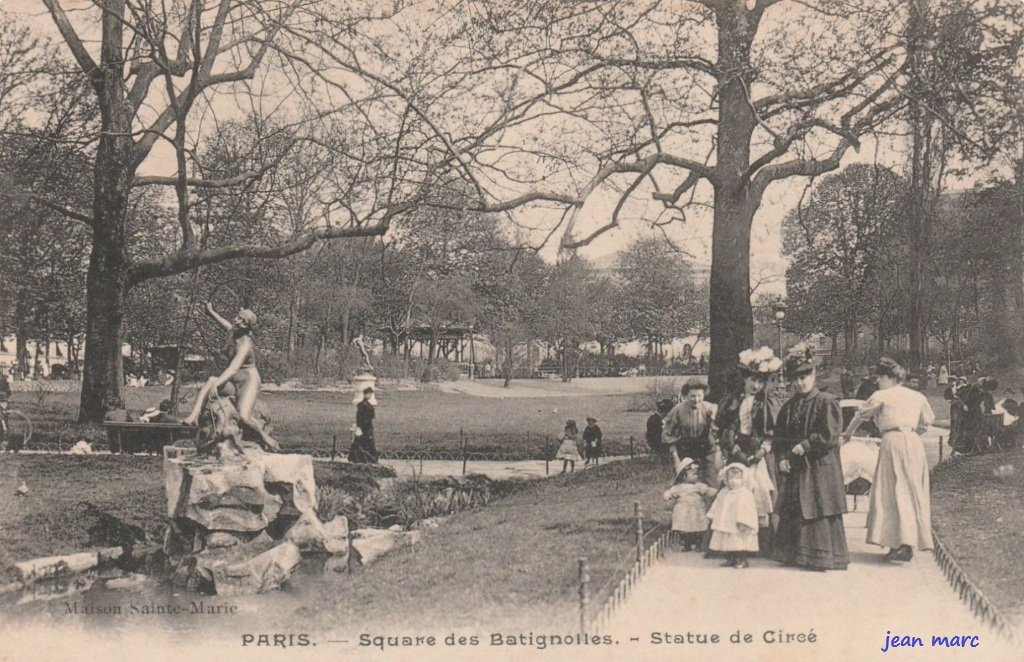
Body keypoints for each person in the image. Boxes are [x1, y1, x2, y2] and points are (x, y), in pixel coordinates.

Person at [842, 357, 934, 562]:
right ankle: (905, 543)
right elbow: (927, 422)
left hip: (892, 442)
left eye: (880, 377)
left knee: (893, 490)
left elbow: (860, 416)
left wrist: (847, 434)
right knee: (911, 490)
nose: (877, 381)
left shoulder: (881, 395)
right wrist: (910, 433)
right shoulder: (917, 396)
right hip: (913, 443)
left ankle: (900, 544)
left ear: (890, 377)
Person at [773, 345, 848, 572]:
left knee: (819, 505)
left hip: (820, 466)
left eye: (804, 377)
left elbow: (830, 434)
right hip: (796, 468)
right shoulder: (788, 407)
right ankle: (794, 554)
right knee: (797, 506)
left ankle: (822, 557)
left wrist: (806, 445)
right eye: (795, 379)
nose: (799, 383)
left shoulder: (826, 401)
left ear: (813, 375)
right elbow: (779, 438)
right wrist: (782, 458)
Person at [182, 303, 280, 452]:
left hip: (248, 381)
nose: (237, 322)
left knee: (244, 417)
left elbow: (233, 368)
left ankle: (264, 437)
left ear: (248, 327)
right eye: (238, 318)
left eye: (243, 322)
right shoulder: (232, 331)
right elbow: (224, 323)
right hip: (233, 381)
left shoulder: (245, 344)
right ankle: (194, 416)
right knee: (211, 380)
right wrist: (211, 311)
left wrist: (218, 384)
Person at [715, 347, 782, 554]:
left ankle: (764, 544)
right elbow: (725, 427)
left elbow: (773, 431)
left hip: (760, 452)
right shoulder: (733, 400)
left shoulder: (767, 402)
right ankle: (733, 545)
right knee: (734, 492)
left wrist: (763, 449)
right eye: (752, 380)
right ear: (744, 379)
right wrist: (733, 447)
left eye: (760, 381)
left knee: (761, 490)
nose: (756, 385)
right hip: (737, 451)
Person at [706, 463, 759, 568]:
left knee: (740, 541)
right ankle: (731, 558)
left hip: (740, 523)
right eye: (730, 478)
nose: (733, 481)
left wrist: (744, 521)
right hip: (727, 522)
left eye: (737, 478)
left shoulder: (745, 493)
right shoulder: (724, 492)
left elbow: (748, 509)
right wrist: (712, 515)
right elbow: (717, 504)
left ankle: (742, 559)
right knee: (728, 541)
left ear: (743, 479)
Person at [663, 378, 717, 481]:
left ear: (704, 395)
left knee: (709, 479)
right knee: (685, 480)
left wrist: (714, 414)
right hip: (685, 450)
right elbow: (668, 433)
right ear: (686, 396)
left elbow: (716, 429)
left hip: (705, 449)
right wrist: (676, 459)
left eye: (699, 395)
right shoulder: (678, 410)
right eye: (692, 396)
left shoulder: (709, 408)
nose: (696, 399)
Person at [663, 458, 717, 552]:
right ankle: (686, 544)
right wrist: (667, 495)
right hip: (683, 510)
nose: (696, 475)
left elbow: (708, 490)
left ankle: (698, 544)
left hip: (696, 510)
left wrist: (717, 492)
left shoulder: (698, 486)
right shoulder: (678, 487)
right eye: (692, 474)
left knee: (698, 527)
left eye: (696, 474)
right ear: (683, 476)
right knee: (685, 528)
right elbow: (671, 492)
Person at [349, 386, 379, 463]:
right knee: (363, 442)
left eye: (370, 394)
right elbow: (359, 417)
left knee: (365, 442)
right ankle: (362, 458)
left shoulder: (367, 404)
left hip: (368, 426)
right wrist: (359, 427)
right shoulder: (362, 405)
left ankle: (367, 458)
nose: (370, 396)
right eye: (369, 394)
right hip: (364, 426)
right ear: (365, 394)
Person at [646, 399, 675, 466]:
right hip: (657, 447)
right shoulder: (654, 421)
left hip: (659, 445)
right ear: (664, 412)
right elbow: (655, 438)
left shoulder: (656, 419)